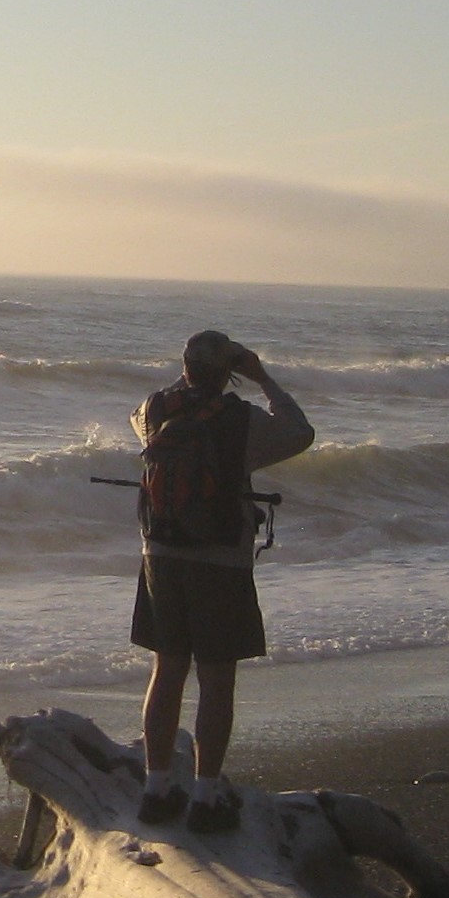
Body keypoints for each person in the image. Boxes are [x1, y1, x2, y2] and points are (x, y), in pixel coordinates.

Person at [129, 328, 315, 832]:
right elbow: (300, 432)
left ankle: (156, 787)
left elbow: (148, 422)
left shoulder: (154, 409)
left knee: (167, 669)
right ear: (230, 371)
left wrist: (185, 379)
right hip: (220, 559)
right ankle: (206, 797)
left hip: (160, 553)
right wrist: (262, 377)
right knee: (216, 677)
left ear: (186, 366)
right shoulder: (242, 420)